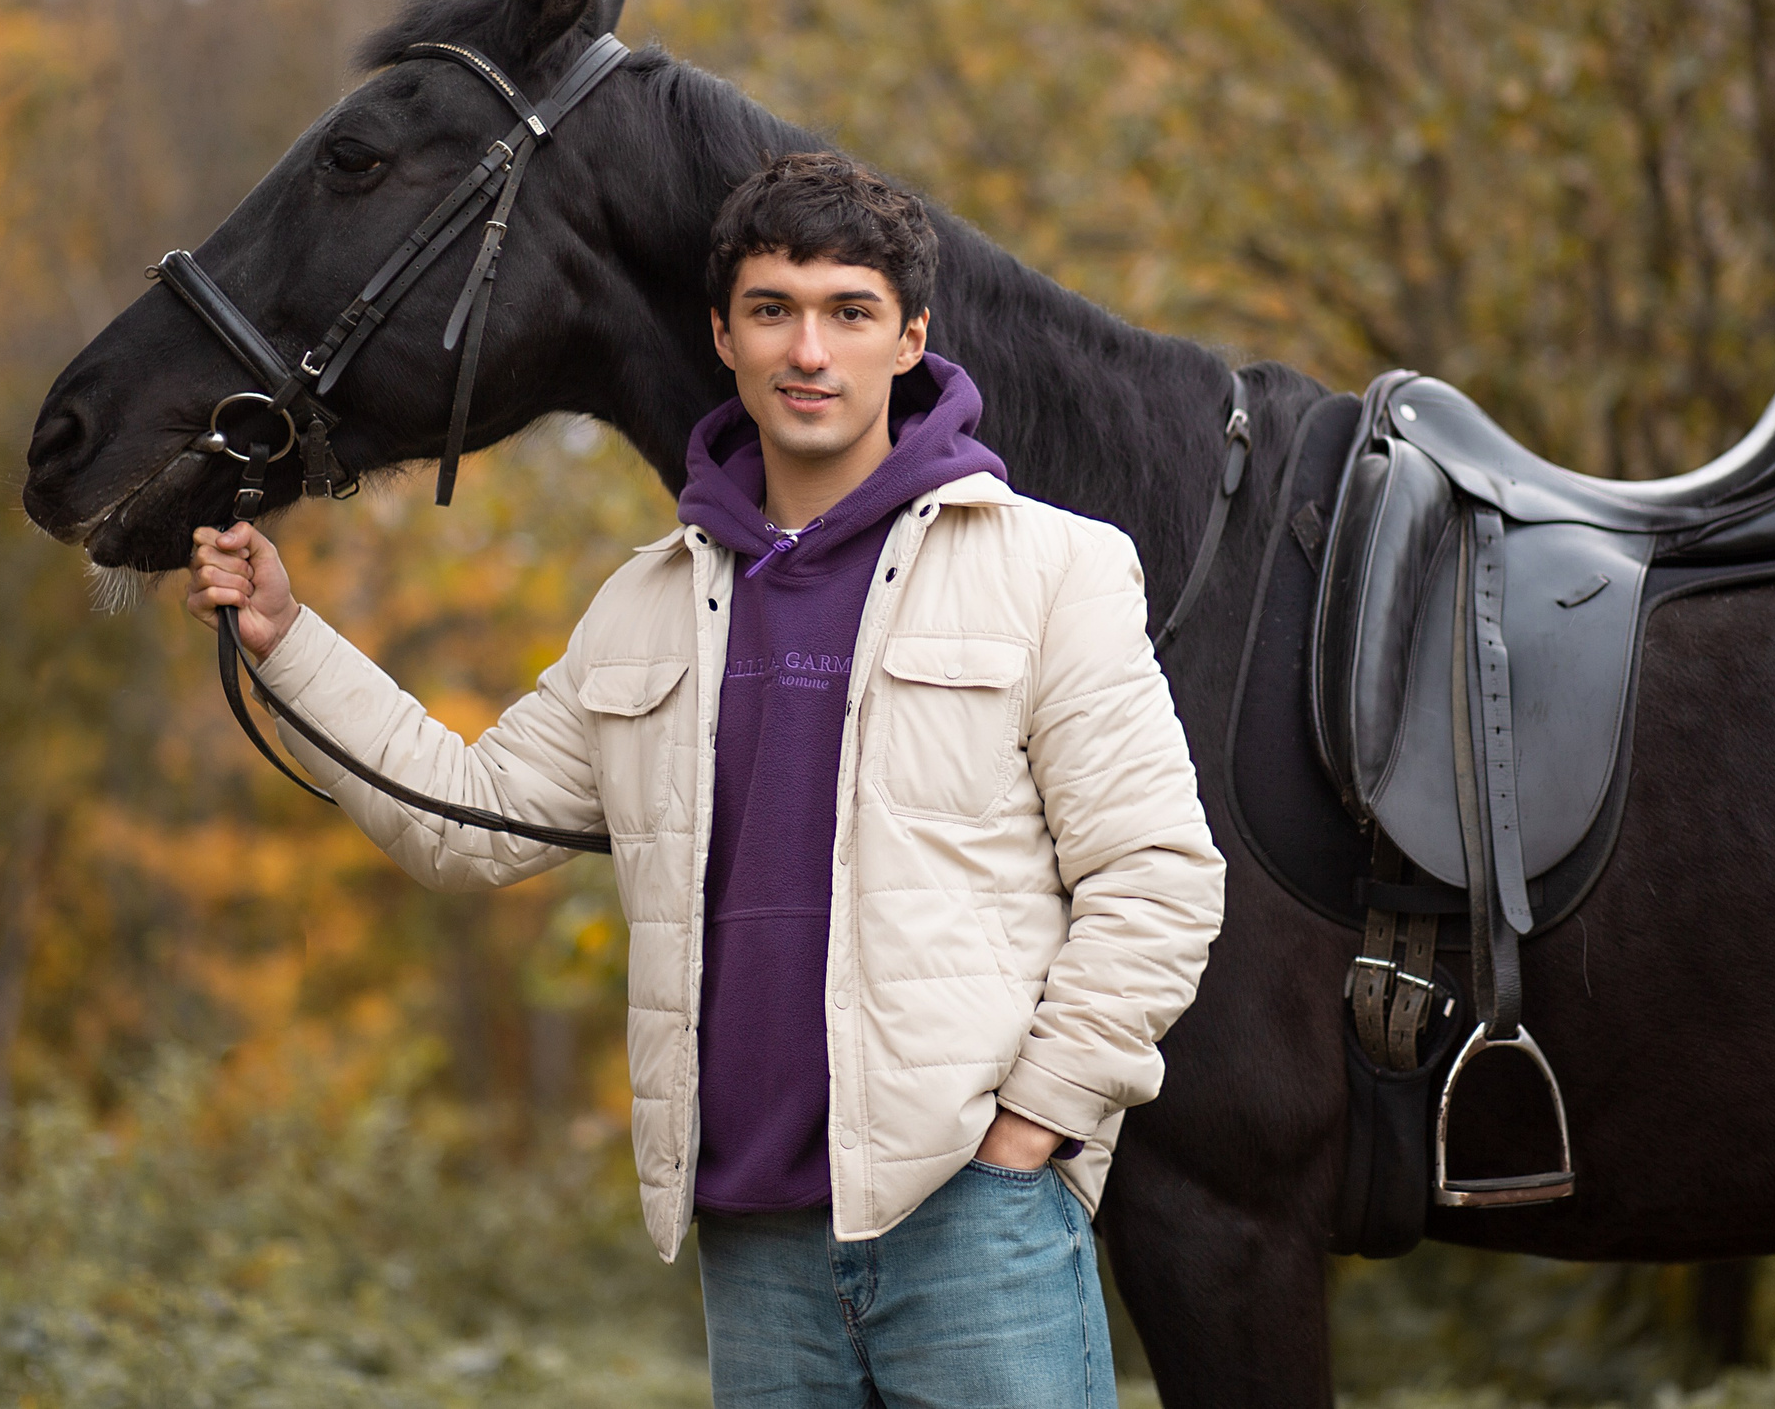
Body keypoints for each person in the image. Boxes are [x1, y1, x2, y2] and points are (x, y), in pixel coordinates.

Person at [186, 150, 1224, 1408]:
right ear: (721, 335)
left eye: (849, 312)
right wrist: (291, 643)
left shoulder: (1052, 571)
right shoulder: (646, 605)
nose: (809, 351)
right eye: (773, 310)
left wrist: (1029, 1138)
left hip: (970, 1222)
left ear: (909, 342)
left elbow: (1157, 880)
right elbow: (468, 819)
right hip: (754, 1243)